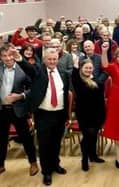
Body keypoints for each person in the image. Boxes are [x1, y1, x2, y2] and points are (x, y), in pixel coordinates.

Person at [17, 48, 70, 186]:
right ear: (45, 59)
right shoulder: (39, 72)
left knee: (56, 143)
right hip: (43, 115)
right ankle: (46, 172)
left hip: (59, 114)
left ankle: (55, 165)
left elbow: (66, 93)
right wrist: (18, 58)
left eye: (54, 59)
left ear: (57, 60)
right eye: (49, 59)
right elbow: (28, 68)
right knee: (44, 144)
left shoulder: (63, 72)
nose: (52, 61)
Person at [0, 44, 39, 176]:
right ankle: (1, 165)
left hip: (18, 109)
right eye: (4, 56)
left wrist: (20, 96)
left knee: (26, 138)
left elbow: (34, 88)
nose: (7, 58)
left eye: (10, 55)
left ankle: (33, 163)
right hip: (2, 109)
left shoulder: (23, 69)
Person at [72, 57, 106, 171]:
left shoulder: (96, 79)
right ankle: (84, 159)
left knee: (94, 135)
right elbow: (74, 76)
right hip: (85, 114)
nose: (88, 70)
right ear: (81, 69)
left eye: (90, 68)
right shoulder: (79, 80)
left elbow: (100, 96)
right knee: (87, 137)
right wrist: (75, 65)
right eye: (86, 68)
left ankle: (93, 156)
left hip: (97, 113)